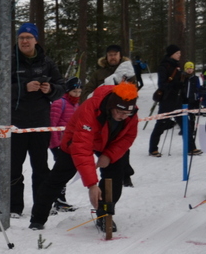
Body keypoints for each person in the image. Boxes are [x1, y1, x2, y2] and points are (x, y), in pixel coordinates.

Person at [28, 83, 139, 232]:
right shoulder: (91, 109)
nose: (123, 116)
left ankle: (104, 215)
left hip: (108, 143)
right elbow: (82, 148)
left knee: (114, 177)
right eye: (119, 112)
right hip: (76, 140)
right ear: (111, 106)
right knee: (57, 178)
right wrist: (92, 184)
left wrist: (109, 155)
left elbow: (128, 137)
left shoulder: (131, 113)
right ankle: (37, 219)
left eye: (127, 113)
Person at [0, 22, 64, 217]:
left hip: (40, 123)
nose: (25, 41)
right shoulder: (8, 61)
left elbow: (61, 87)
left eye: (28, 37)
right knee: (14, 167)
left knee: (41, 167)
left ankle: (42, 206)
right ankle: (14, 207)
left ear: (36, 40)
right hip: (15, 123)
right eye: (21, 37)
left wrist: (51, 89)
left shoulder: (47, 63)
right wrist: (24, 88)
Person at [48, 76, 82, 212]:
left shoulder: (76, 105)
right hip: (59, 145)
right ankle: (57, 200)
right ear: (68, 91)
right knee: (60, 173)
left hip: (70, 145)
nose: (77, 94)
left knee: (65, 172)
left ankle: (60, 200)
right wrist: (55, 145)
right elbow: (52, 125)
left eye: (79, 92)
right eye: (74, 91)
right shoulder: (59, 103)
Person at [148, 44, 183, 157]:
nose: (179, 55)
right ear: (171, 54)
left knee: (185, 124)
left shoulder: (178, 66)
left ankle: (191, 147)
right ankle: (153, 149)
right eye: (177, 53)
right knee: (160, 125)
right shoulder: (164, 66)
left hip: (178, 99)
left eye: (180, 53)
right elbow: (162, 84)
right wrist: (175, 85)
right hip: (167, 100)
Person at [179, 61, 202, 155]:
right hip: (184, 102)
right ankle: (190, 146)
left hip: (193, 102)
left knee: (191, 120)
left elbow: (198, 88)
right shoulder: (183, 77)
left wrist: (199, 96)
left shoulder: (195, 78)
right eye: (188, 68)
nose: (189, 70)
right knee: (186, 122)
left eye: (191, 68)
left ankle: (190, 137)